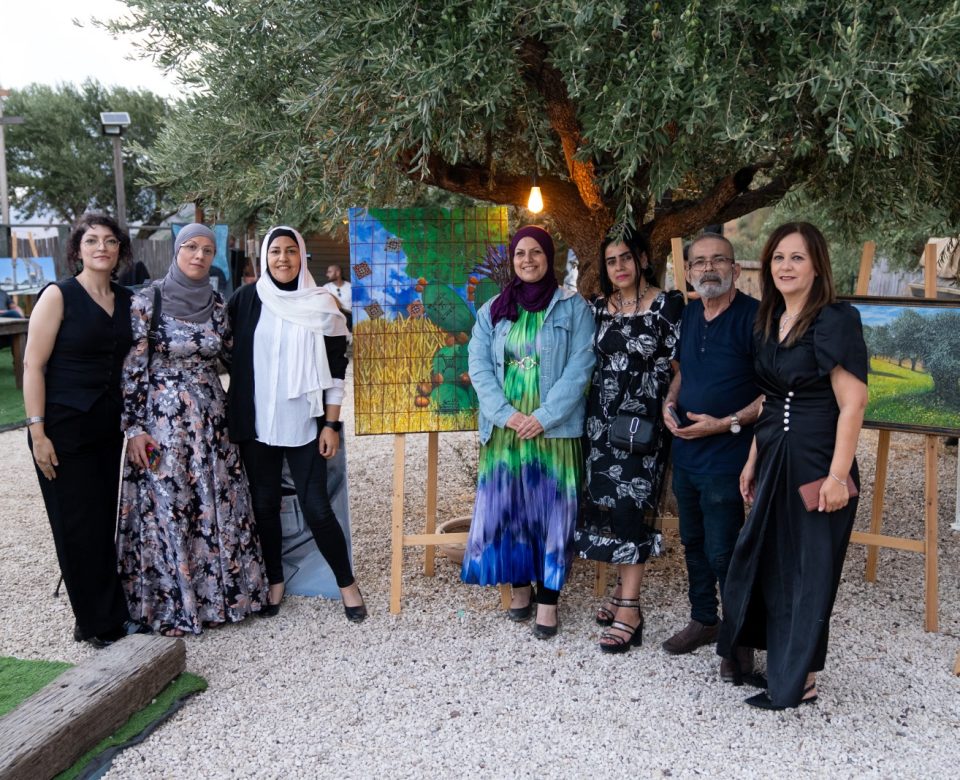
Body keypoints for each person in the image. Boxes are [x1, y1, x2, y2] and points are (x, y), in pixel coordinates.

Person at [717, 222, 868, 710]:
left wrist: (839, 476)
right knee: (766, 562)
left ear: (817, 265)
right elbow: (769, 399)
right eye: (778, 257)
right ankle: (780, 662)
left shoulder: (835, 320)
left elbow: (853, 403)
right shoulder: (770, 319)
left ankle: (801, 678)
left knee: (809, 571)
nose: (785, 266)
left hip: (817, 462)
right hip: (774, 458)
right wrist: (752, 460)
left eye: (797, 257)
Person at [118, 223, 267, 636]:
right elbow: (132, 370)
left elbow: (236, 356)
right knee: (170, 503)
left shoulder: (217, 304)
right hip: (162, 424)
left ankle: (222, 600)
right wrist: (133, 428)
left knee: (215, 502)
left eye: (207, 249)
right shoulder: (148, 300)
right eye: (191, 247)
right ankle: (174, 607)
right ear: (176, 250)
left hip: (213, 422)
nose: (199, 255)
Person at [461, 225, 595, 638]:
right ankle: (520, 587)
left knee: (554, 513)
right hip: (507, 431)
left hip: (554, 430)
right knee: (511, 511)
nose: (528, 260)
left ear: (549, 257)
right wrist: (507, 415)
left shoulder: (573, 308)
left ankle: (549, 600)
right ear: (512, 260)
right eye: (520, 253)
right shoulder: (493, 310)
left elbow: (582, 366)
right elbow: (479, 367)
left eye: (536, 252)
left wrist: (544, 416)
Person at [227, 226, 366, 621]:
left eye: (291, 251)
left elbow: (336, 371)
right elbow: (224, 350)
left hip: (306, 422)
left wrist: (331, 425)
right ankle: (275, 580)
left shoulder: (321, 304)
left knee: (317, 508)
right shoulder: (246, 299)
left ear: (302, 256)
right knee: (264, 506)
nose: (283, 258)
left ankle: (346, 584)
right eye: (275, 251)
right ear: (265, 257)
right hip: (258, 425)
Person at [22, 213, 136, 647]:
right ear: (77, 250)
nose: (101, 247)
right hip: (62, 427)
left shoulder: (127, 299)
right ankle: (98, 625)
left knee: (102, 522)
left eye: (110, 241)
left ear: (120, 250)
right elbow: (33, 365)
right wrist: (38, 432)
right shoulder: (59, 295)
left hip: (107, 427)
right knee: (77, 527)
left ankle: (98, 613)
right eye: (92, 241)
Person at [574, 230, 683, 653]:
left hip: (641, 426)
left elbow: (681, 367)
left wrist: (669, 403)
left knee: (631, 507)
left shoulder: (667, 305)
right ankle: (621, 593)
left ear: (642, 259)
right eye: (611, 260)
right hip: (601, 423)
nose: (619, 267)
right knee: (609, 505)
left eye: (625, 258)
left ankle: (632, 611)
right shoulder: (598, 308)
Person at [660, 233, 761, 682]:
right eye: (699, 262)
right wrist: (670, 400)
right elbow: (684, 371)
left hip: (729, 457)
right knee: (694, 543)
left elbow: (773, 393)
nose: (708, 269)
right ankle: (704, 619)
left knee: (725, 552)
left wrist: (724, 423)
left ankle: (738, 639)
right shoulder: (689, 315)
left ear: (735, 269)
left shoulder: (756, 318)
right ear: (688, 272)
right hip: (687, 452)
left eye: (718, 260)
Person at [323, 263, 352, 330]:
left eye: (329, 272)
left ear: (338, 273)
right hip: (332, 320)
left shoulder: (350, 287)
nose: (327, 275)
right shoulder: (326, 287)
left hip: (349, 320)